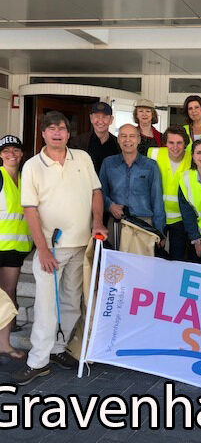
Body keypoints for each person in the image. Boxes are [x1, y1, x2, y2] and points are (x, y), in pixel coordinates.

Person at [14, 111, 107, 385]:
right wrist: (41, 249)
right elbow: (30, 209)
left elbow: (96, 192)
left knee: (71, 302)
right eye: (51, 128)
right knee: (46, 306)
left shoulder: (83, 158)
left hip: (82, 244)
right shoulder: (32, 166)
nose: (57, 133)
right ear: (43, 133)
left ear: (68, 133)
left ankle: (57, 348)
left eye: (62, 128)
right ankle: (37, 361)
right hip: (51, 249)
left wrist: (98, 221)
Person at [99, 124, 166, 242]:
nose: (127, 140)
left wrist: (159, 231)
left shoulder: (150, 165)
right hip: (117, 224)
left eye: (132, 136)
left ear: (139, 139)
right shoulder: (108, 163)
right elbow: (100, 192)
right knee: (115, 255)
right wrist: (110, 205)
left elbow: (157, 200)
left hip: (144, 225)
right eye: (123, 136)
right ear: (118, 139)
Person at [0, 135, 33, 352]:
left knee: (9, 290)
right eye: (6, 150)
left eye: (16, 150)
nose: (11, 154)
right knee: (2, 293)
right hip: (0, 245)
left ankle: (8, 330)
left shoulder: (25, 178)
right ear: (0, 155)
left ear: (21, 154)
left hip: (17, 247)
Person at [148, 126, 191, 261]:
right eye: (171, 142)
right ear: (165, 143)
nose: (175, 147)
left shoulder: (192, 158)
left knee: (177, 258)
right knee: (154, 257)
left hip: (180, 218)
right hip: (156, 215)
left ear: (185, 143)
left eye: (179, 143)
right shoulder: (153, 154)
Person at [69, 102, 120, 174]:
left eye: (104, 117)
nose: (100, 121)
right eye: (97, 116)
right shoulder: (77, 142)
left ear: (111, 120)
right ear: (91, 118)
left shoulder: (119, 144)